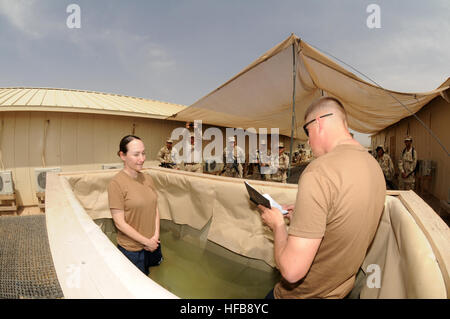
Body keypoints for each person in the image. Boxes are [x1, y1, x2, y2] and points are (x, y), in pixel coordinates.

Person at [258, 97, 385, 299]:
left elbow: (292, 271)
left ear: (318, 123)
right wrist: (304, 216)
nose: (308, 141)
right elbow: (341, 219)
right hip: (340, 291)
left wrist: (278, 225)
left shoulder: (319, 172)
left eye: (307, 132)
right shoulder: (373, 166)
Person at [107, 135, 162, 275]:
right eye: (136, 154)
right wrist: (146, 241)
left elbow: (155, 208)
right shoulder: (116, 184)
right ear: (122, 155)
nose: (142, 158)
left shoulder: (148, 178)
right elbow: (120, 223)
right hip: (132, 251)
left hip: (153, 244)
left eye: (143, 153)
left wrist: (155, 236)